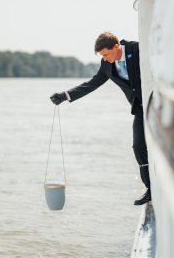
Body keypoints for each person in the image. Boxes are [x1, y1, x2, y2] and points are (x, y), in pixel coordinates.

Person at [50, 32, 151, 205]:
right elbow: (92, 83)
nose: (104, 58)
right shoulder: (107, 64)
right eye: (102, 56)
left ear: (116, 47)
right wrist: (65, 95)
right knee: (138, 145)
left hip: (157, 100)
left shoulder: (138, 49)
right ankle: (150, 188)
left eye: (106, 54)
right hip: (140, 108)